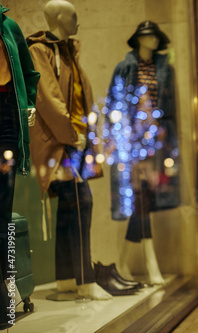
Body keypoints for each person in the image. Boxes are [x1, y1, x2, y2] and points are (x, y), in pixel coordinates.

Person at [26, 0, 111, 300]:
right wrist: (71, 134)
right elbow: (47, 98)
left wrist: (86, 135)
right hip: (61, 143)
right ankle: (85, 281)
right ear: (57, 18)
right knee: (80, 202)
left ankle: (66, 282)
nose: (78, 20)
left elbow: (79, 96)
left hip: (76, 140)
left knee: (69, 207)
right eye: (72, 15)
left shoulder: (68, 52)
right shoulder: (41, 51)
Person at [105, 20, 178, 285]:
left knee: (142, 201)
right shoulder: (125, 67)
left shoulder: (163, 69)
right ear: (138, 39)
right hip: (131, 143)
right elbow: (115, 104)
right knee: (141, 200)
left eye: (156, 36)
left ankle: (123, 263)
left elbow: (167, 106)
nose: (154, 40)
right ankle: (149, 263)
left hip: (154, 143)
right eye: (148, 36)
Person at [0, 4, 39, 328]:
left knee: (2, 218)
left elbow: (29, 72)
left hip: (8, 123)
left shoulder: (9, 27)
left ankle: (8, 296)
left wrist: (30, 103)